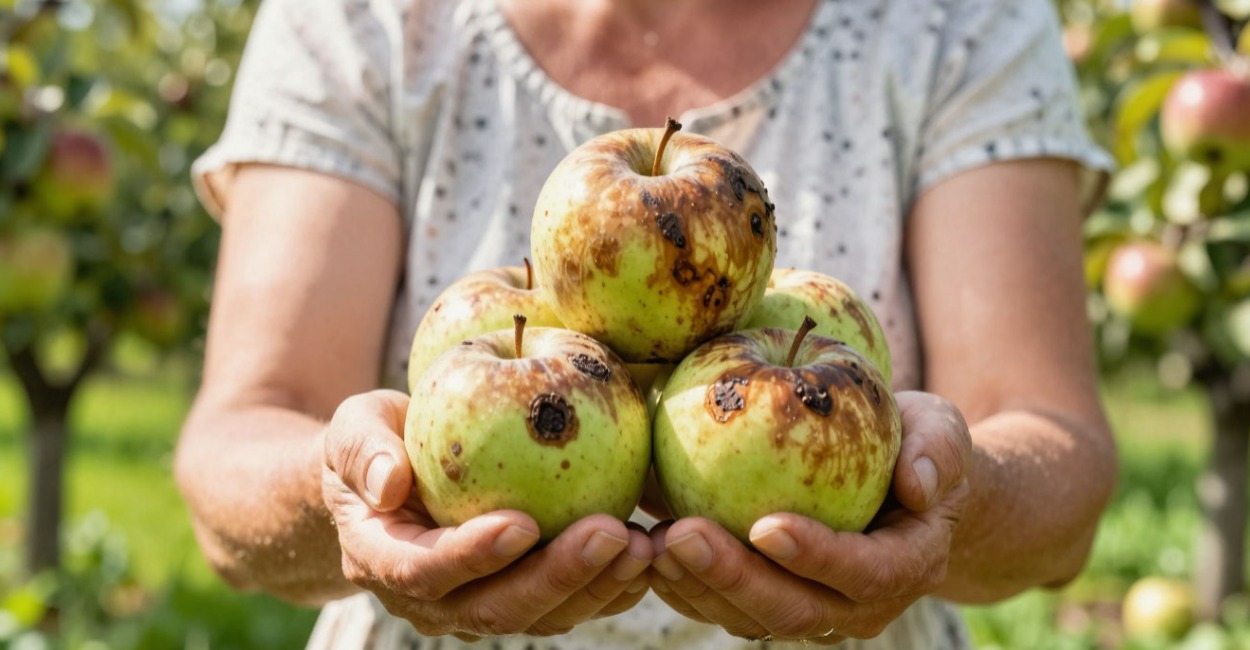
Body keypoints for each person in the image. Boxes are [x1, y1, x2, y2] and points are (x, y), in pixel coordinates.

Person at [175, 0, 1119, 647]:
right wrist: (353, 498)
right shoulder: (363, 20)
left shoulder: (952, 22)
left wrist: (947, 497)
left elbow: (1053, 451)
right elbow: (246, 432)